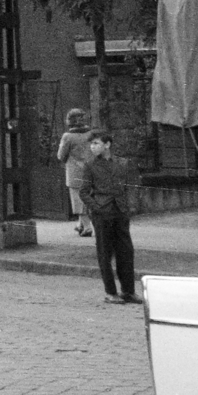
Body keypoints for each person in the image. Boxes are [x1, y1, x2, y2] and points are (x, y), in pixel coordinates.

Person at [80, 129, 141, 305]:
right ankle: (110, 292)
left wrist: (130, 206)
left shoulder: (123, 163)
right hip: (102, 214)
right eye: (91, 144)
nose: (92, 147)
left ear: (107, 145)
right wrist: (97, 207)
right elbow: (84, 192)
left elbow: (131, 186)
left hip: (120, 212)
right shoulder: (90, 166)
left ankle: (128, 291)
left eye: (96, 143)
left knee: (126, 252)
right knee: (105, 253)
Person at [57, 108, 95, 237]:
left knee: (78, 199)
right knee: (87, 196)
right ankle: (80, 225)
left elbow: (61, 156)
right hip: (91, 170)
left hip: (75, 172)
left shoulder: (68, 136)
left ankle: (88, 227)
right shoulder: (91, 134)